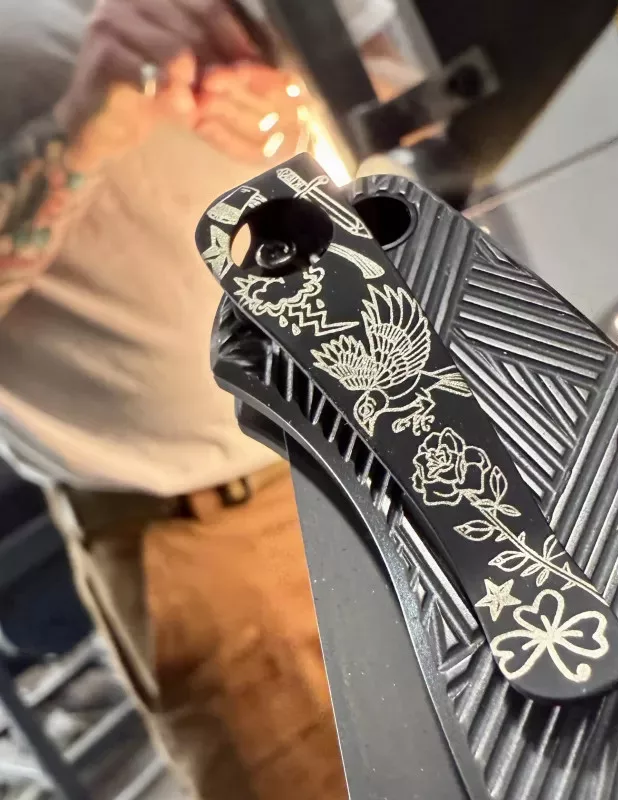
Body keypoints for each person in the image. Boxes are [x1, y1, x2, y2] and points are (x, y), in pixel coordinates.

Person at [0, 0, 397, 797]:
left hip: (390, 436)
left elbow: (391, 59)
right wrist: (81, 132)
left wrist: (303, 88)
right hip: (212, 545)